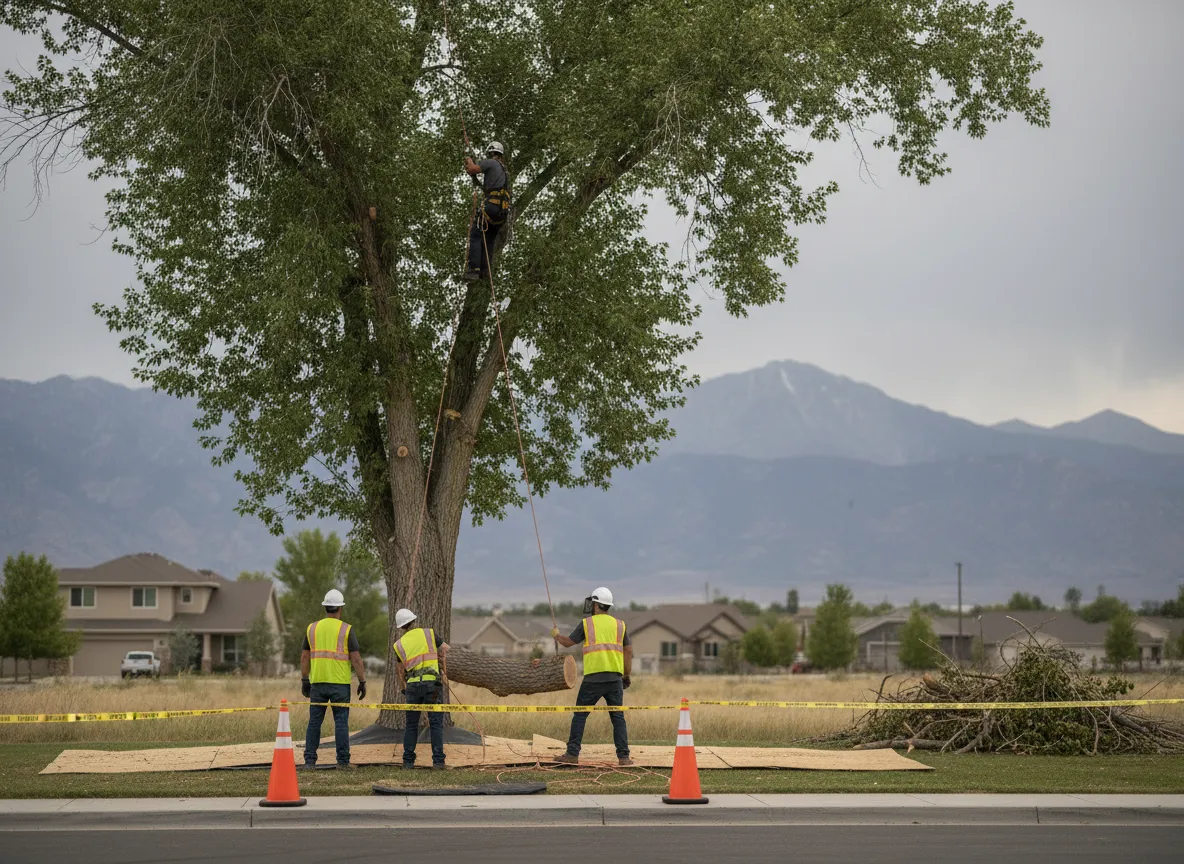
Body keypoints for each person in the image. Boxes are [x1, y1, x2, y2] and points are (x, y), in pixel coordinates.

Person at [550, 587, 634, 766]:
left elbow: (568, 643)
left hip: (593, 680)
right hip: (614, 679)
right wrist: (626, 675)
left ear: (595, 605)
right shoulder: (620, 625)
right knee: (617, 717)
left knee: (580, 716)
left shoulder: (587, 624)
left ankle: (572, 754)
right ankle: (624, 757)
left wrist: (557, 636)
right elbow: (628, 651)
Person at [299, 589, 367, 770]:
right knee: (341, 722)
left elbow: (305, 657)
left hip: (318, 683)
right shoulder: (346, 629)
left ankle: (309, 761)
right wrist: (362, 681)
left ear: (325, 608)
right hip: (340, 684)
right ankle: (343, 762)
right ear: (340, 608)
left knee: (314, 722)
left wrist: (305, 680)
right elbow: (356, 659)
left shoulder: (311, 628)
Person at [392, 607, 450, 769]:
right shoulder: (429, 633)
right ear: (414, 620)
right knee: (436, 723)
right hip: (432, 685)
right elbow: (444, 650)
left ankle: (408, 761)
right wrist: (443, 671)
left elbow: (399, 670)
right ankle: (438, 762)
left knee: (411, 725)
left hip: (413, 688)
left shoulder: (399, 645)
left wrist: (404, 687)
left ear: (401, 627)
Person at [461, 142, 511, 282]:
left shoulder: (491, 163)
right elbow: (488, 188)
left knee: (476, 235)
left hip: (491, 207)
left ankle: (473, 270)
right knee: (488, 239)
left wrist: (469, 159)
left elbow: (472, 169)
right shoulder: (503, 171)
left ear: (491, 153)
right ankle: (485, 272)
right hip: (501, 213)